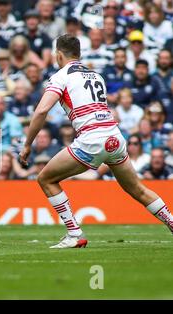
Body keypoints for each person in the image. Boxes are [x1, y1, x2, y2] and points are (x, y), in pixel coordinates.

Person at [20, 34, 173, 249]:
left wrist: (27, 144)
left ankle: (74, 233)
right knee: (137, 188)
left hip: (91, 139)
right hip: (115, 137)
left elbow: (42, 110)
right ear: (79, 54)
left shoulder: (60, 76)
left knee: (46, 179)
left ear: (58, 55)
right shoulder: (96, 75)